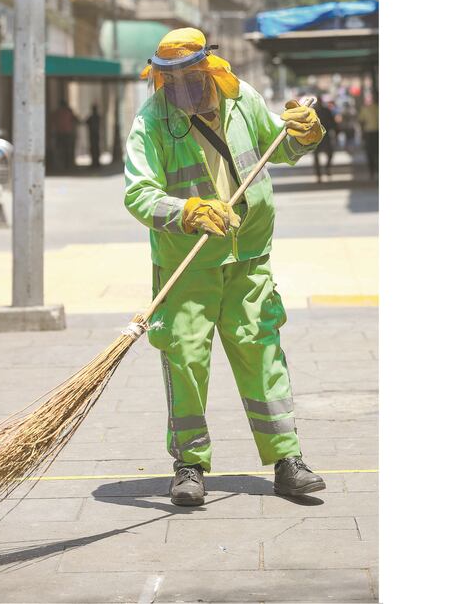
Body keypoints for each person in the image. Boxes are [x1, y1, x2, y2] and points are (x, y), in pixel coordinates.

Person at [124, 27, 328, 506]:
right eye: (171, 83)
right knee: (186, 359)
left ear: (210, 69)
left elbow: (281, 150)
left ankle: (287, 461)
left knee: (262, 351)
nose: (183, 91)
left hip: (249, 254)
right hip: (187, 263)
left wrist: (304, 134)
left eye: (192, 79)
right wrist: (188, 212)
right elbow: (138, 192)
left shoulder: (243, 100)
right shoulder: (152, 120)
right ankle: (190, 465)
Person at [312, 98, 338, 181]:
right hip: (316, 136)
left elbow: (332, 122)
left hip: (323, 135)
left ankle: (325, 169)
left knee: (329, 153)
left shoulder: (325, 111)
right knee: (317, 155)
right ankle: (319, 174)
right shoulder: (313, 112)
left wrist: (335, 131)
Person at [53, 100, 78, 172]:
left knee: (61, 150)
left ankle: (62, 165)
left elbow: (53, 121)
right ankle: (68, 165)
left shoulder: (57, 112)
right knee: (68, 150)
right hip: (67, 133)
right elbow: (75, 120)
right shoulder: (68, 111)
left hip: (60, 133)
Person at [358, 94, 379, 179]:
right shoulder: (378, 108)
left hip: (369, 133)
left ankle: (372, 171)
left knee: (370, 152)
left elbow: (361, 122)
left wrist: (362, 133)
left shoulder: (364, 109)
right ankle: (376, 169)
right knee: (377, 152)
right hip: (377, 132)